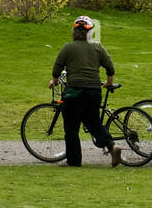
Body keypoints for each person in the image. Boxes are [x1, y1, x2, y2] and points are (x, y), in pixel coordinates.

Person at [50, 16, 122, 168]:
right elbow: (110, 67)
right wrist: (109, 82)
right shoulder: (97, 47)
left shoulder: (68, 48)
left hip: (74, 92)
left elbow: (57, 69)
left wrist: (54, 81)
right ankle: (111, 146)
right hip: (94, 92)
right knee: (93, 123)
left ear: (74, 31)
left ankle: (74, 161)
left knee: (71, 127)